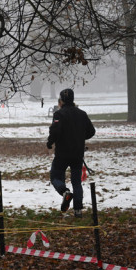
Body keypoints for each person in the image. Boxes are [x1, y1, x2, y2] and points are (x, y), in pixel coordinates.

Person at [47, 88, 95, 217]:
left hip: (62, 154)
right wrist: (79, 138)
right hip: (77, 154)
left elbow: (55, 132)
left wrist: (50, 142)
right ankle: (78, 210)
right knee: (76, 182)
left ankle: (65, 192)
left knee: (55, 177)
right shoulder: (82, 114)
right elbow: (91, 132)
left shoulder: (59, 114)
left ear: (61, 101)